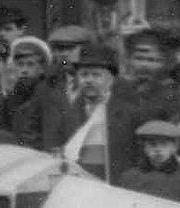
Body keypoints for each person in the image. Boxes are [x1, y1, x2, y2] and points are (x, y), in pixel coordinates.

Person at [62, 41, 152, 184]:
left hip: (119, 191)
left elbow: (142, 161)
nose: (89, 80)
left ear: (110, 80)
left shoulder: (131, 115)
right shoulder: (67, 114)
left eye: (96, 75)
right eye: (84, 75)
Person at [4, 37, 71, 151]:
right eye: (20, 65)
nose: (24, 70)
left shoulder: (47, 93)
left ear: (42, 69)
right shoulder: (14, 95)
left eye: (30, 65)